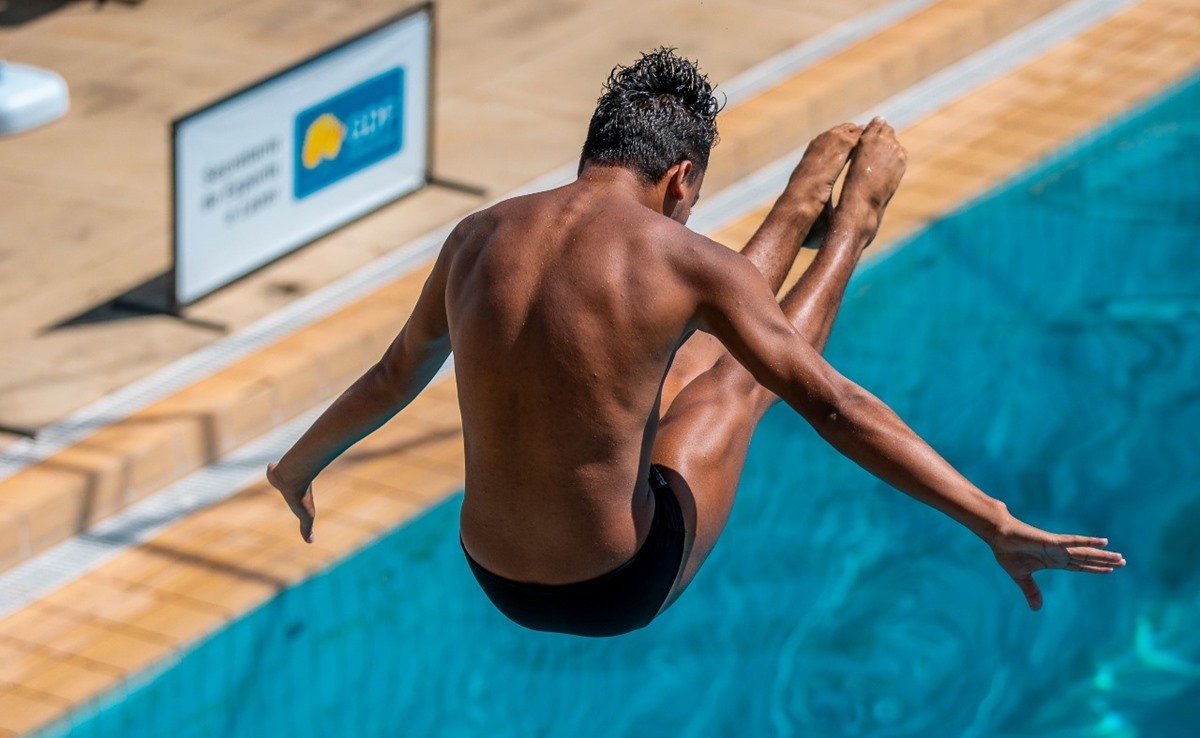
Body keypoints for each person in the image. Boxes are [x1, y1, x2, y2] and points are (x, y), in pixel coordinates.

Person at [268, 48, 1125, 637]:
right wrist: (992, 520)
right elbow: (830, 401)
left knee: (677, 350)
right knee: (740, 386)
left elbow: (391, 375)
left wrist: (296, 468)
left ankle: (798, 206)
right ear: (683, 180)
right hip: (615, 584)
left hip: (490, 570)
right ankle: (848, 218)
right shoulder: (678, 259)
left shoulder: (476, 239)